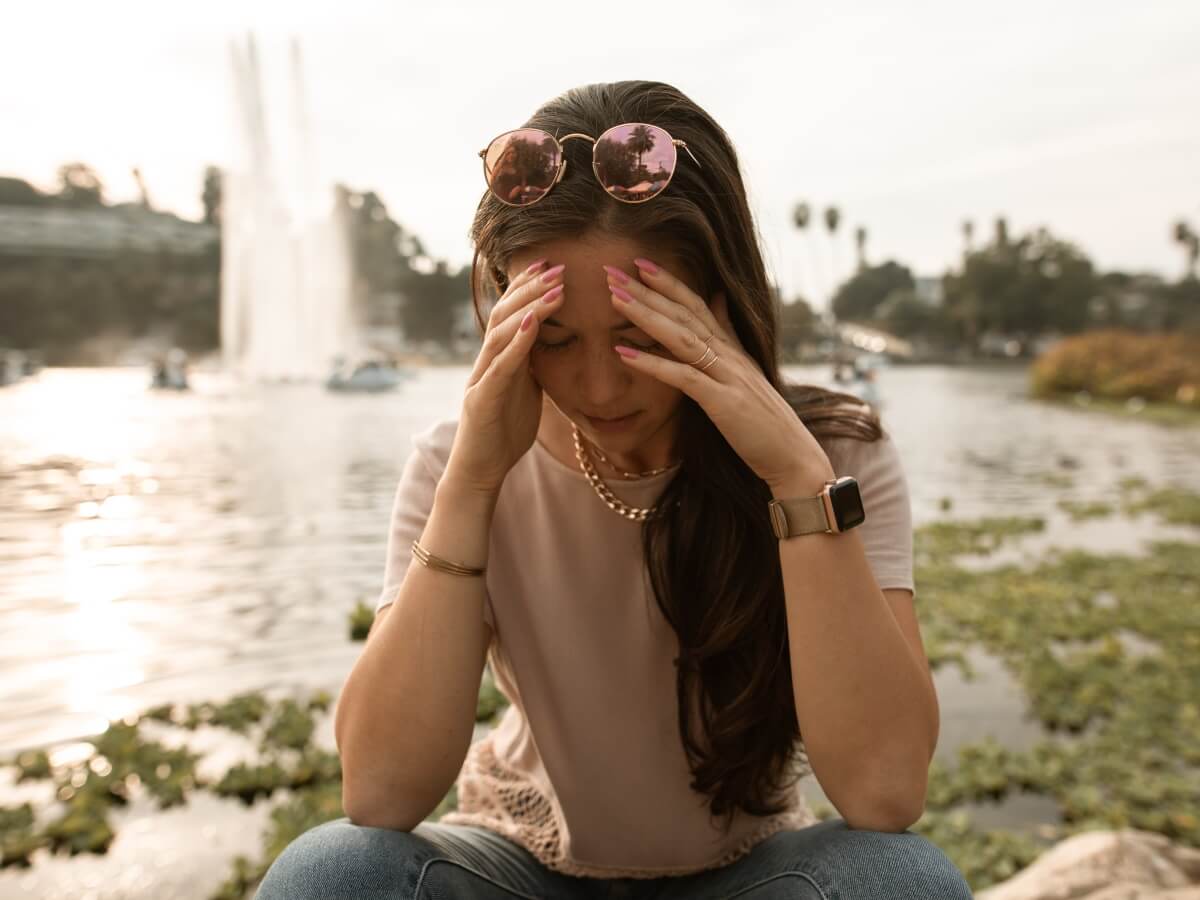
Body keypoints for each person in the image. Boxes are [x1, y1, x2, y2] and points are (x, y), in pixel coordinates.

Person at [257, 80, 971, 899]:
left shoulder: (834, 455)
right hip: (522, 867)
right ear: (504, 315)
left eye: (639, 335)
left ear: (719, 301)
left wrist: (797, 480)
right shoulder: (458, 464)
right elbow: (380, 795)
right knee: (335, 873)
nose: (598, 389)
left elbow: (885, 793)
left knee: (900, 882)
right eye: (554, 339)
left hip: (746, 877)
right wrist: (474, 484)